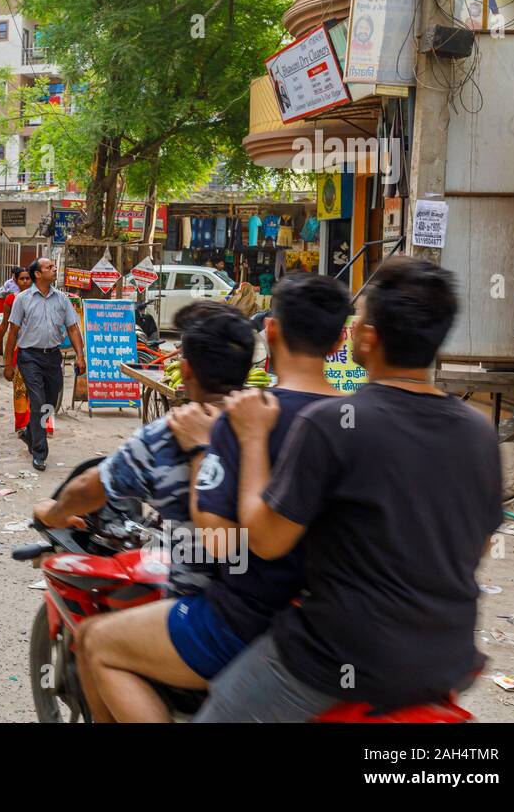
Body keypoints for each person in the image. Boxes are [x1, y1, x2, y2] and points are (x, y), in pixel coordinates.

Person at [195, 257, 503, 722]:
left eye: (361, 316)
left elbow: (265, 539)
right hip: (449, 655)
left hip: (340, 655)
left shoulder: (334, 424)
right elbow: (477, 544)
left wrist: (254, 436)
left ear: (368, 337)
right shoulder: (478, 430)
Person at [69, 274, 351, 723]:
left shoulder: (245, 418)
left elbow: (219, 540)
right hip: (330, 621)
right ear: (341, 340)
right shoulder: (356, 421)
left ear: (272, 332)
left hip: (244, 617)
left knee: (96, 642)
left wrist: (205, 445)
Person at [1, 258, 86, 471]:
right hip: (29, 356)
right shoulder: (22, 299)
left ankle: (30, 432)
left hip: (52, 358)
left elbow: (73, 328)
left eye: (53, 266)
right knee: (38, 401)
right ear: (38, 274)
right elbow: (12, 332)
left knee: (49, 402)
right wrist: (7, 363)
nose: (54, 269)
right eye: (49, 267)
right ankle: (40, 451)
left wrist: (80, 356)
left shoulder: (62, 299)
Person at [0, 266, 39, 442]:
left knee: (40, 391)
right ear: (15, 280)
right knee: (20, 388)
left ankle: (43, 424)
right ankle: (22, 425)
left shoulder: (39, 298)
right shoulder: (12, 299)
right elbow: (5, 325)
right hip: (17, 348)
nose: (26, 282)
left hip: (38, 348)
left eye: (28, 279)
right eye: (22, 279)